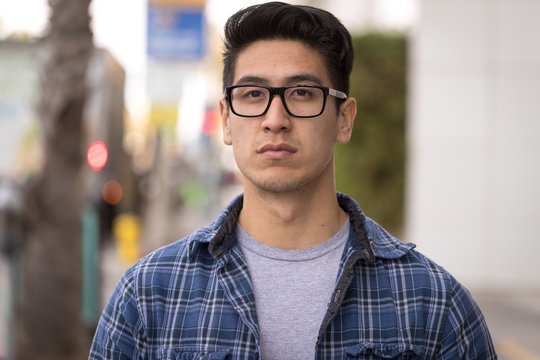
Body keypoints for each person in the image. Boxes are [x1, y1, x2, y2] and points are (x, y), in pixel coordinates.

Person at [89, 2, 497, 359]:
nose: (274, 120)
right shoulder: (149, 295)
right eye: (252, 94)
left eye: (301, 93)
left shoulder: (431, 301)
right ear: (227, 120)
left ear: (345, 119)